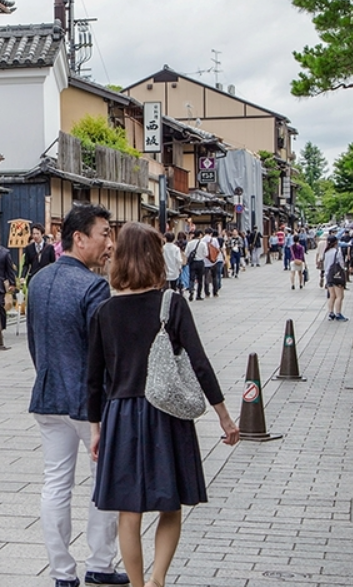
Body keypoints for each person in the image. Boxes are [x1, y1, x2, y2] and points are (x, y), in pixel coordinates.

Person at [87, 222, 239, 587]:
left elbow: (93, 380)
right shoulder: (172, 305)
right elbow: (200, 363)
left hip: (121, 416)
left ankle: (138, 586)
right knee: (170, 503)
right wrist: (224, 416)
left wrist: (96, 429)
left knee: (129, 509)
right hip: (165, 414)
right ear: (156, 258)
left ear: (120, 259)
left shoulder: (104, 312)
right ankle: (158, 580)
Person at [26, 204, 128, 587]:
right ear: (79, 238)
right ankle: (100, 563)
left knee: (55, 483)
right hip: (89, 403)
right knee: (103, 481)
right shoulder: (93, 286)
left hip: (48, 396)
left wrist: (48, 376)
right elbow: (103, 353)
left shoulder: (38, 281)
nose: (110, 244)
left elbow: (35, 344)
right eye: (104, 234)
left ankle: (62, 573)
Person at [323, 235, 349, 322]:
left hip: (328, 275)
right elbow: (341, 264)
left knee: (332, 296)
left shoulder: (326, 252)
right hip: (337, 275)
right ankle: (338, 313)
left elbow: (325, 264)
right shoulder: (337, 251)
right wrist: (344, 270)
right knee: (340, 296)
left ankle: (331, 313)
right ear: (335, 242)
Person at [184, 230, 207, 301]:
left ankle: (191, 292)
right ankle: (198, 295)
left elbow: (186, 253)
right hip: (200, 262)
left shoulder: (190, 243)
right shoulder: (203, 244)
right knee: (200, 279)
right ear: (200, 235)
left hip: (192, 262)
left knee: (192, 278)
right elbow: (206, 254)